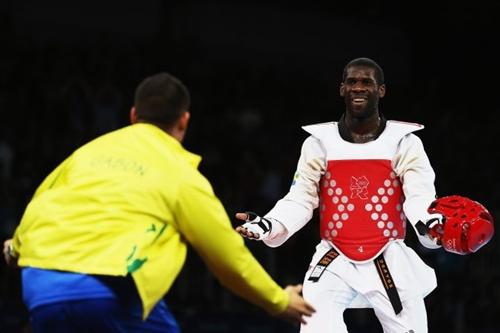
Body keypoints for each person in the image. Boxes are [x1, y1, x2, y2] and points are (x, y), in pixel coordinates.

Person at [2, 72, 315, 333]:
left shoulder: (85, 154)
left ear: (134, 115)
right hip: (109, 291)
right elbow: (227, 255)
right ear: (184, 121)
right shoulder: (182, 175)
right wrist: (279, 300)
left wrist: (16, 248)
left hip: (40, 285)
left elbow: (40, 204)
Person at [236, 57, 444, 333]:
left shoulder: (404, 142)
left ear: (381, 90)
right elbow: (301, 198)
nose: (358, 88)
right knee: (314, 324)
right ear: (342, 89)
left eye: (366, 82)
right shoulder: (319, 143)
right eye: (352, 82)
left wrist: (429, 224)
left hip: (388, 256)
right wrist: (269, 224)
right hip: (333, 257)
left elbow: (419, 195)